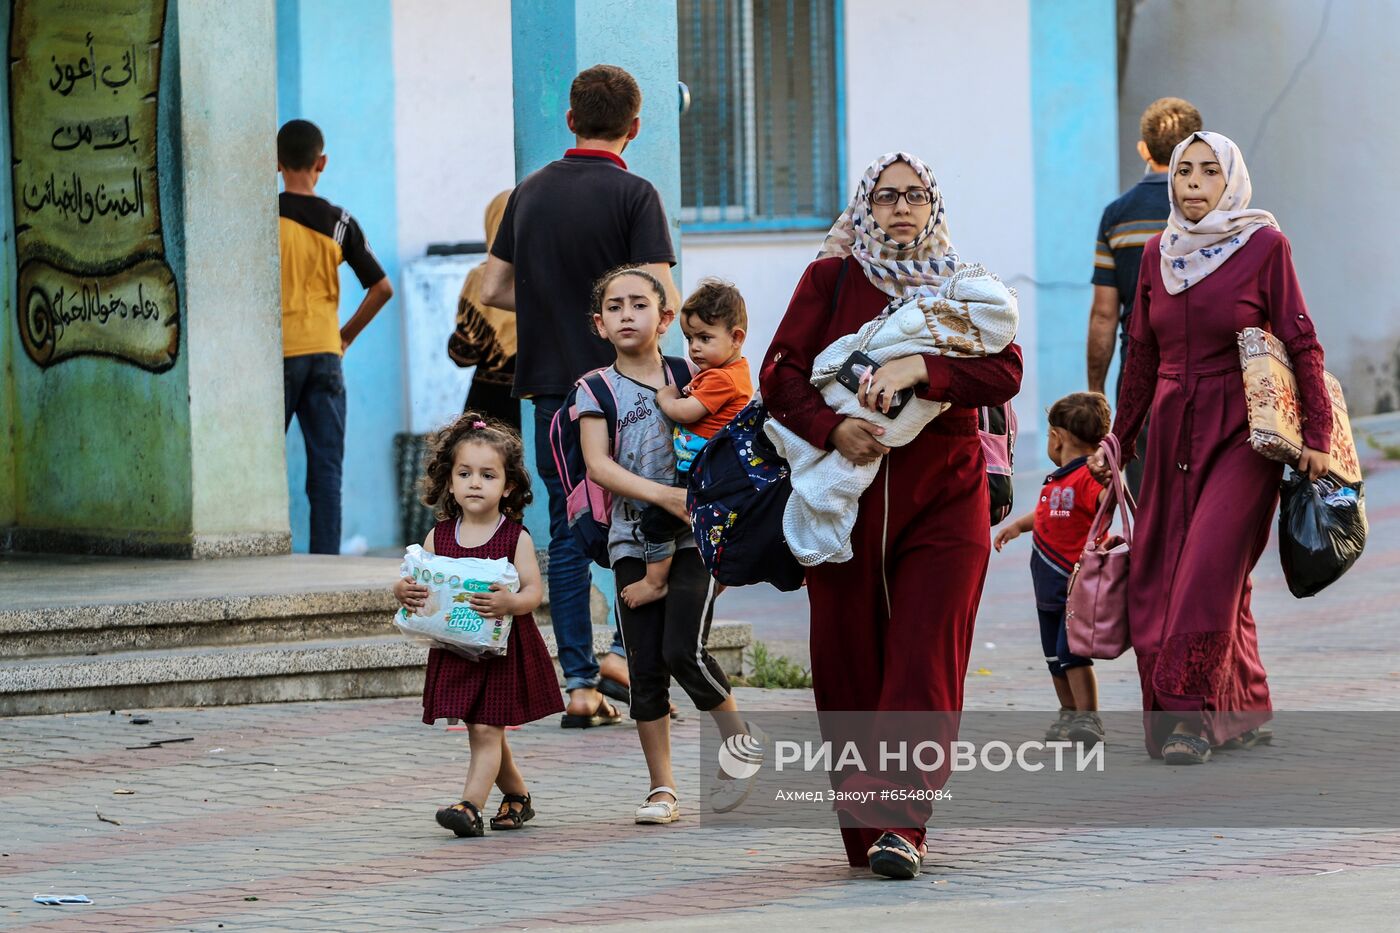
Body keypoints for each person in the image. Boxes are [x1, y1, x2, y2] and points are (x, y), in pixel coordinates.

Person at [760, 153, 1022, 878]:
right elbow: (779, 373)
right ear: (863, 207)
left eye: (914, 195)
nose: (900, 207)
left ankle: (903, 824)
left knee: (923, 657)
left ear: (933, 205)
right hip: (843, 499)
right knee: (848, 663)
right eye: (885, 196)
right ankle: (865, 829)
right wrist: (828, 426)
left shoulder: (962, 284)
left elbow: (1006, 370)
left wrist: (923, 370)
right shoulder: (831, 280)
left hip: (944, 492)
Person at [1087, 131, 1332, 766]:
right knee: (1159, 576)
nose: (1193, 183)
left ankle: (1188, 717)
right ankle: (1244, 704)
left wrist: (1319, 437)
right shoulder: (1156, 255)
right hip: (1170, 428)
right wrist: (1120, 436)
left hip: (1245, 431)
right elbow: (1141, 358)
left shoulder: (1265, 247)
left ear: (1231, 181)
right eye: (1184, 171)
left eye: (1207, 172)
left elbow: (1302, 343)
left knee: (1206, 570)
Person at [479, 65, 681, 723]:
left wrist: (554, 302)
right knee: (644, 520)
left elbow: (493, 289)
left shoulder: (527, 195)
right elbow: (660, 297)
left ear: (570, 120)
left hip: (550, 394)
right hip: (627, 392)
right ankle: (625, 650)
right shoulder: (636, 195)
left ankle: (580, 684)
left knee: (567, 531)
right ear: (635, 128)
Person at [577, 266, 762, 824]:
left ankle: (739, 745)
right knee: (645, 665)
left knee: (684, 649)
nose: (626, 314)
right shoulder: (594, 388)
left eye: (639, 304)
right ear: (600, 323)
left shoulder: (694, 370)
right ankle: (662, 788)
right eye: (615, 306)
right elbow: (596, 465)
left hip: (695, 535)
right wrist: (662, 495)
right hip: (631, 538)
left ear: (663, 319)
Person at [393, 414, 562, 836]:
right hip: (457, 649)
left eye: (487, 475)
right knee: (482, 726)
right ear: (449, 482)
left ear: (507, 486)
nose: (474, 483)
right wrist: (405, 593)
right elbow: (422, 586)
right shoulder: (439, 537)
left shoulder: (514, 537)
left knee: (487, 727)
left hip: (505, 651)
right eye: (464, 473)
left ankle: (469, 807)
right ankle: (518, 797)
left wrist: (511, 601)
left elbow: (533, 592)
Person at [277, 119, 394, 554]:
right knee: (325, 471)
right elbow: (382, 287)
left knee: (266, 467)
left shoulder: (265, 217)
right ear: (321, 162)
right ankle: (325, 563)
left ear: (276, 162)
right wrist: (343, 336)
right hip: (325, 354)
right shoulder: (339, 222)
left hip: (279, 357)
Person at [1087, 98, 1202, 496]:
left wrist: (1097, 392)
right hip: (1209, 378)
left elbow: (1103, 315)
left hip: (1141, 379)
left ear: (1143, 149)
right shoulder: (1217, 214)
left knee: (1146, 505)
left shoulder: (1118, 216)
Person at [625, 279, 752, 609]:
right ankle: (715, 584)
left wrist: (666, 395)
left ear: (736, 338)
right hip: (711, 472)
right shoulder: (728, 371)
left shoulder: (722, 378)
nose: (694, 348)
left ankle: (654, 582)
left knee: (656, 521)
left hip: (707, 475)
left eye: (705, 338)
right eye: (690, 338)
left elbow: (685, 410)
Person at [994, 393, 1110, 745]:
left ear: (1057, 437)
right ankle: (1068, 712)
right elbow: (1047, 515)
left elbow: (1107, 501)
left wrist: (1111, 482)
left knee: (1072, 653)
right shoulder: (1057, 479)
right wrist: (1018, 526)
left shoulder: (1090, 478)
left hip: (1076, 584)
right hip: (1046, 586)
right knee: (1053, 656)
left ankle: (1088, 717)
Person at [450, 190, 520, 431]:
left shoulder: (482, 278)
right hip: (540, 398)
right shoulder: (549, 275)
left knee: (486, 465)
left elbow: (463, 355)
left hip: (489, 403)